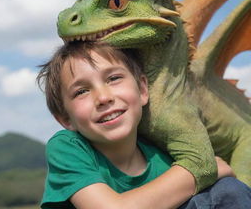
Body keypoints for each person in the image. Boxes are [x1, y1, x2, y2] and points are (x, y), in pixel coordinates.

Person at [38, 41, 251, 209]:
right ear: (65, 118)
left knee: (227, 191)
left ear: (142, 90)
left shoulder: (162, 153)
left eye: (113, 78)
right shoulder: (68, 147)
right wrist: (203, 169)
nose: (103, 97)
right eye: (81, 91)